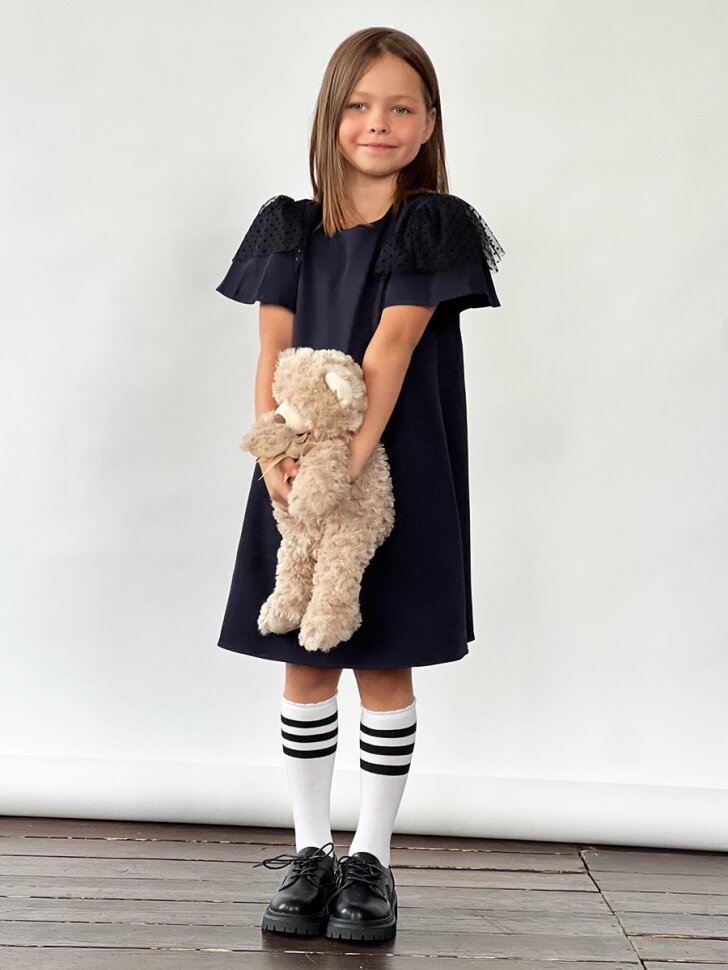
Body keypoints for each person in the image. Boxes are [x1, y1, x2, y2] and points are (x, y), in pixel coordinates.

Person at [215, 26, 504, 944]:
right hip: (295, 469)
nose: (378, 123)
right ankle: (311, 852)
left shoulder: (432, 224)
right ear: (330, 115)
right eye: (359, 105)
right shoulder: (288, 228)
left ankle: (370, 860)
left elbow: (392, 346)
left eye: (400, 108)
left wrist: (338, 467)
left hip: (395, 466)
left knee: (382, 656)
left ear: (428, 125)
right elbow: (271, 348)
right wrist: (279, 459)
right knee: (304, 654)